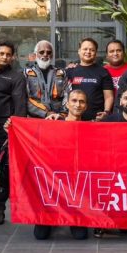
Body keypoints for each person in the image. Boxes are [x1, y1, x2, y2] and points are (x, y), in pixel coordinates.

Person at [33, 88, 90, 241]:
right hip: (53, 183)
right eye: (74, 101)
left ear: (86, 106)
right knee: (40, 235)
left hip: (76, 186)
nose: (77, 105)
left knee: (80, 236)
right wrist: (11, 126)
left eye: (81, 101)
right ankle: (50, 218)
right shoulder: (53, 124)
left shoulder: (91, 129)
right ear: (67, 103)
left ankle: (73, 218)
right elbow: (33, 138)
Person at [0, 41, 27, 226]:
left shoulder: (17, 77)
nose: (5, 57)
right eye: (1, 53)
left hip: (5, 127)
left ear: (13, 57)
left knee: (5, 169)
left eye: (8, 54)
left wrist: (15, 124)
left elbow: (20, 104)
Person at [65, 38, 114, 121]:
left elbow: (109, 96)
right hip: (74, 120)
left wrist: (106, 112)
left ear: (95, 53)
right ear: (79, 51)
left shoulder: (103, 72)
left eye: (92, 50)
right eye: (85, 49)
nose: (88, 52)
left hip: (95, 121)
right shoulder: (70, 71)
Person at [25, 40, 67, 119]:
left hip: (57, 119)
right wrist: (46, 113)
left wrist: (62, 115)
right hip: (35, 119)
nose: (45, 54)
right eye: (41, 52)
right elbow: (25, 98)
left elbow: (67, 96)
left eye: (49, 52)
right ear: (36, 55)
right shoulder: (26, 73)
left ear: (52, 55)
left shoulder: (61, 73)